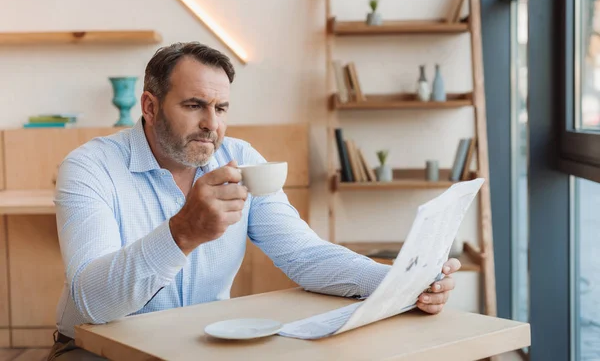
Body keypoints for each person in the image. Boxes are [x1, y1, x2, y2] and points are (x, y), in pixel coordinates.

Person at [47, 42, 461, 360]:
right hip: (97, 350)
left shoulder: (242, 161)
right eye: (194, 106)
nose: (212, 124)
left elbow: (304, 255)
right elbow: (91, 302)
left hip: (199, 347)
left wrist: (400, 283)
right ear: (150, 107)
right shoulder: (90, 167)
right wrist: (181, 233)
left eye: (221, 107)